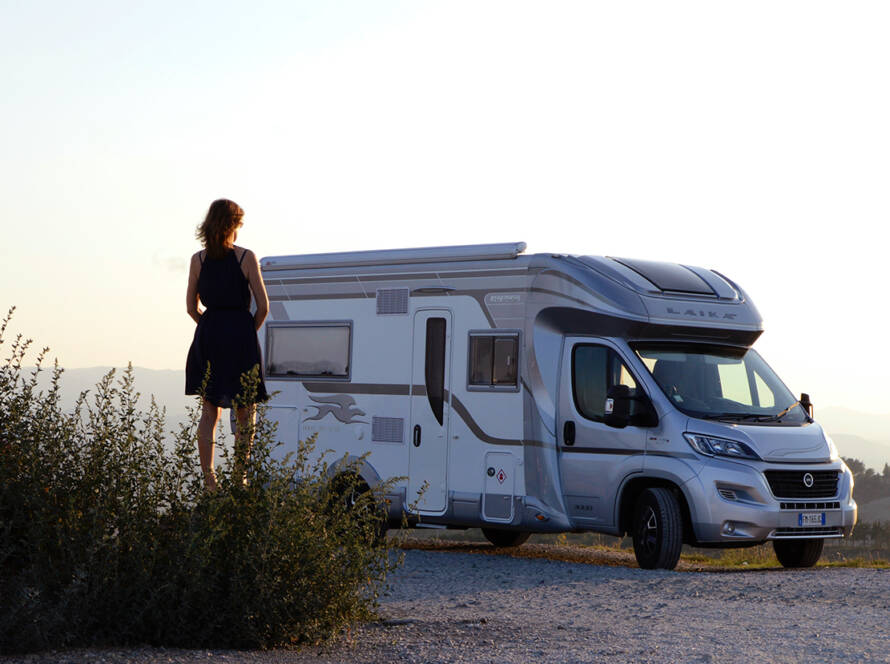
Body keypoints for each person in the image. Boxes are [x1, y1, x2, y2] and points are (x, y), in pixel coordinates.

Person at [185, 199, 269, 491]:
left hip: (209, 334)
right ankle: (240, 476)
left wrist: (210, 328)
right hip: (240, 334)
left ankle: (210, 479)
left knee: (209, 411)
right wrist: (244, 331)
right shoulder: (246, 257)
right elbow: (263, 307)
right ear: (233, 225)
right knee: (246, 409)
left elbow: (190, 307)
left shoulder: (198, 259)